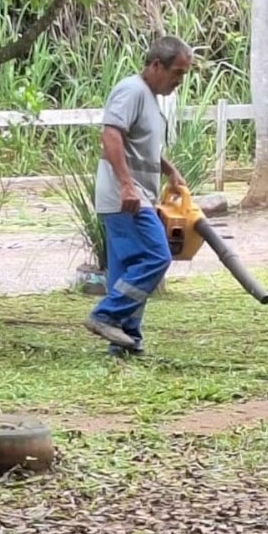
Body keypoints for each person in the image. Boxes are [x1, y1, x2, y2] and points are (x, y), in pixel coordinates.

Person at [85, 36, 193, 356]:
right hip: (125, 197)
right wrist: (127, 185)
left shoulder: (148, 97)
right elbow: (111, 135)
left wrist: (169, 169)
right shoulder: (131, 90)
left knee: (128, 268)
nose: (179, 80)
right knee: (156, 256)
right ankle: (105, 314)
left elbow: (138, 145)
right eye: (177, 72)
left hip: (132, 194)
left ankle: (126, 342)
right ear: (156, 65)